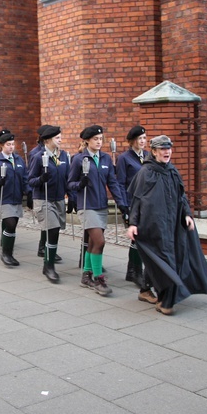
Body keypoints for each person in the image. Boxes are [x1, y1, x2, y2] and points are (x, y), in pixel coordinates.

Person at [126, 135, 207, 315]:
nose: (167, 152)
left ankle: (146, 289)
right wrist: (133, 223)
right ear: (154, 151)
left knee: (167, 259)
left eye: (168, 148)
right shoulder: (146, 172)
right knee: (164, 261)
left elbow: (181, 196)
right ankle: (166, 302)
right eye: (162, 149)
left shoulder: (172, 171)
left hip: (173, 225)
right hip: (152, 225)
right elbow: (136, 200)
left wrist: (187, 214)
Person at [67, 125, 128, 296]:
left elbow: (113, 183)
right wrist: (80, 184)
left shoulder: (106, 159)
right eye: (96, 139)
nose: (99, 142)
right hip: (86, 206)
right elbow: (70, 184)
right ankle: (98, 278)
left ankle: (86, 275)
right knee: (100, 241)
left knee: (93, 243)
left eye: (101, 139)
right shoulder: (79, 159)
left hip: (101, 206)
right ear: (87, 140)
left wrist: (121, 203)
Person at [115, 125, 158, 304]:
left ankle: (132, 271)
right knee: (137, 238)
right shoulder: (124, 158)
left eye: (144, 138)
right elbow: (120, 182)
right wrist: (124, 206)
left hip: (147, 204)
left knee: (140, 238)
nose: (143, 141)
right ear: (132, 140)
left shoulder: (149, 156)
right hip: (132, 203)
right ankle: (135, 272)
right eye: (140, 138)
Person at [28, 125, 71, 282]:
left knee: (55, 232)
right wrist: (40, 179)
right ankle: (49, 266)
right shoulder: (38, 156)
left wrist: (71, 196)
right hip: (43, 198)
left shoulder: (64, 155)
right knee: (52, 230)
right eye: (57, 138)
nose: (60, 140)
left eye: (60, 137)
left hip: (58, 198)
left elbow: (68, 177)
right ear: (47, 140)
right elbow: (30, 179)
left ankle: (48, 261)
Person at [0, 129, 30, 266]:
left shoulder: (19, 160)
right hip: (3, 197)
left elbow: (25, 178)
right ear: (2, 146)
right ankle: (6, 254)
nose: (11, 147)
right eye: (8, 144)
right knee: (10, 223)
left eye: (12, 144)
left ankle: (9, 251)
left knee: (12, 225)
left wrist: (29, 193)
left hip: (16, 197)